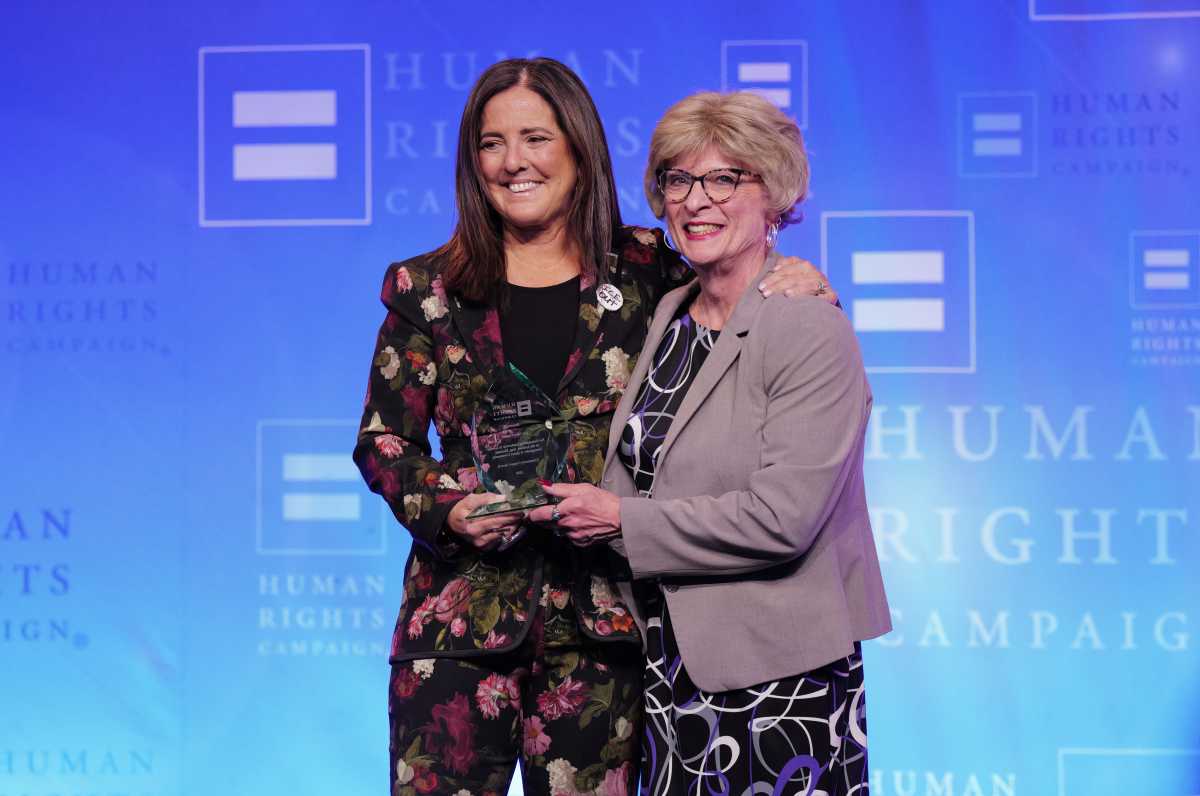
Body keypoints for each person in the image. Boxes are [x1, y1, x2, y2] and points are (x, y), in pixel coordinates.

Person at [353, 58, 838, 796]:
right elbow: (385, 440)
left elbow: (734, 284)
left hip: (604, 630)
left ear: (579, 148)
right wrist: (447, 510)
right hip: (454, 626)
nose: (513, 161)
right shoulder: (427, 287)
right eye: (491, 143)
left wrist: (803, 280)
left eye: (535, 137)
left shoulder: (648, 269)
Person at [528, 90, 891, 795]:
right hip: (670, 673)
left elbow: (783, 518)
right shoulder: (671, 314)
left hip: (781, 681)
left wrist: (620, 520)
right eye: (679, 180)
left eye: (725, 178)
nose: (698, 200)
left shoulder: (806, 327)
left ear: (774, 194)